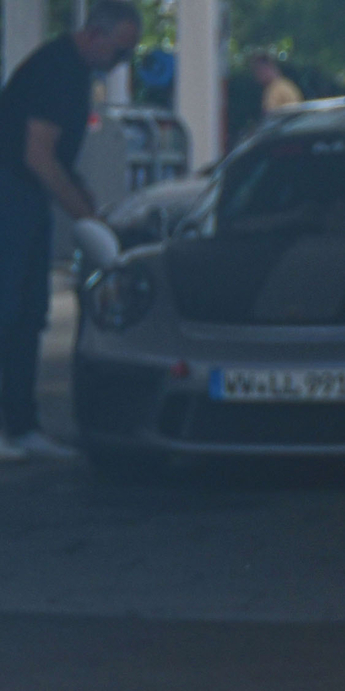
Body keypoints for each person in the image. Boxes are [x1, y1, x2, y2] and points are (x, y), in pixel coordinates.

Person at [0, 0, 140, 461]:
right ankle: (14, 425)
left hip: (25, 198)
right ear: (95, 35)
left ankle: (20, 424)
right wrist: (85, 216)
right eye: (119, 52)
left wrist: (86, 205)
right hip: (12, 196)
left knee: (25, 313)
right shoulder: (58, 70)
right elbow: (38, 156)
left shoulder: (71, 70)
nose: (120, 63)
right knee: (10, 310)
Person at [249, 51, 304, 122]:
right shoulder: (287, 85)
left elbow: (271, 117)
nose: (257, 77)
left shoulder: (275, 90)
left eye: (258, 71)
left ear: (266, 69)